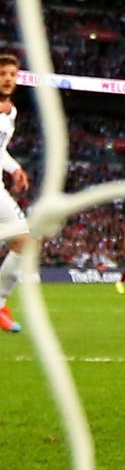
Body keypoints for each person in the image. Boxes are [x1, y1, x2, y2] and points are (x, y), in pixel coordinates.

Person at [0, 53, 27, 334]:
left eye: (12, 74)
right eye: (2, 74)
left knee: (23, 241)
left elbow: (0, 150)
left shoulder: (11, 111)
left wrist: (14, 168)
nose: (8, 79)